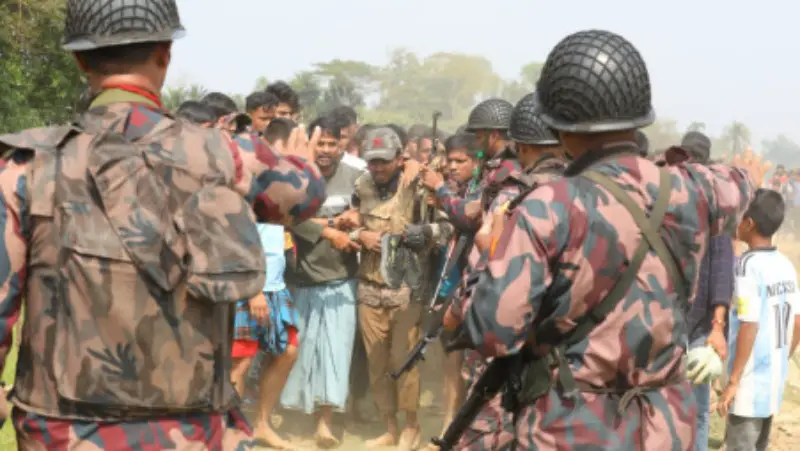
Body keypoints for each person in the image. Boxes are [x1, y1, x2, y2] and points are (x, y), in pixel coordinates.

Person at [0, 1, 324, 449]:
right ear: (165, 54)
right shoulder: (224, 156)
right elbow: (307, 196)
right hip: (191, 430)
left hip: (63, 431)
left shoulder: (25, 168)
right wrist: (298, 162)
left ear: (79, 58)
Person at [445, 29, 754, 449]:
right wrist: (746, 173)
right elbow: (739, 183)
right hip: (663, 427)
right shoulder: (690, 189)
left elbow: (494, 333)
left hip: (574, 426)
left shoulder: (547, 206)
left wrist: (489, 255)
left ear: (559, 128)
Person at [351, 127, 451, 450]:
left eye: (383, 161)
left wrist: (427, 232)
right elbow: (352, 222)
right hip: (369, 288)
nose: (377, 168)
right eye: (372, 162)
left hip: (407, 290)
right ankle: (390, 427)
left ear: (399, 158)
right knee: (376, 364)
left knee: (404, 362)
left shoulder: (419, 187)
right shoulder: (361, 185)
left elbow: (450, 227)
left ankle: (412, 426)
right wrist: (357, 236)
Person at [281, 115, 364, 448]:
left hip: (342, 279)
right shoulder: (296, 177)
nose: (327, 150)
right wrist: (329, 229)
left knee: (335, 353)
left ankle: (325, 424)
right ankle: (298, 417)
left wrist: (356, 218)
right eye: (321, 143)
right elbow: (288, 216)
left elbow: (368, 212)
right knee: (303, 353)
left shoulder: (357, 177)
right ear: (311, 144)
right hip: (300, 279)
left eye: (333, 143)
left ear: (342, 143)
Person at [718, 189, 800, 451]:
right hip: (773, 381)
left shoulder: (747, 266)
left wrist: (733, 382)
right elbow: (797, 321)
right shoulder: (785, 265)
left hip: (748, 386)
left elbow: (749, 324)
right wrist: (782, 357)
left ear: (749, 223)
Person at [675, 133, 734, 451]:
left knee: (691, 411)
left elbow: (723, 268)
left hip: (691, 326)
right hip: (685, 325)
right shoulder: (715, 201)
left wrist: (717, 327)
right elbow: (724, 270)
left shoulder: (674, 196)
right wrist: (719, 327)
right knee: (690, 412)